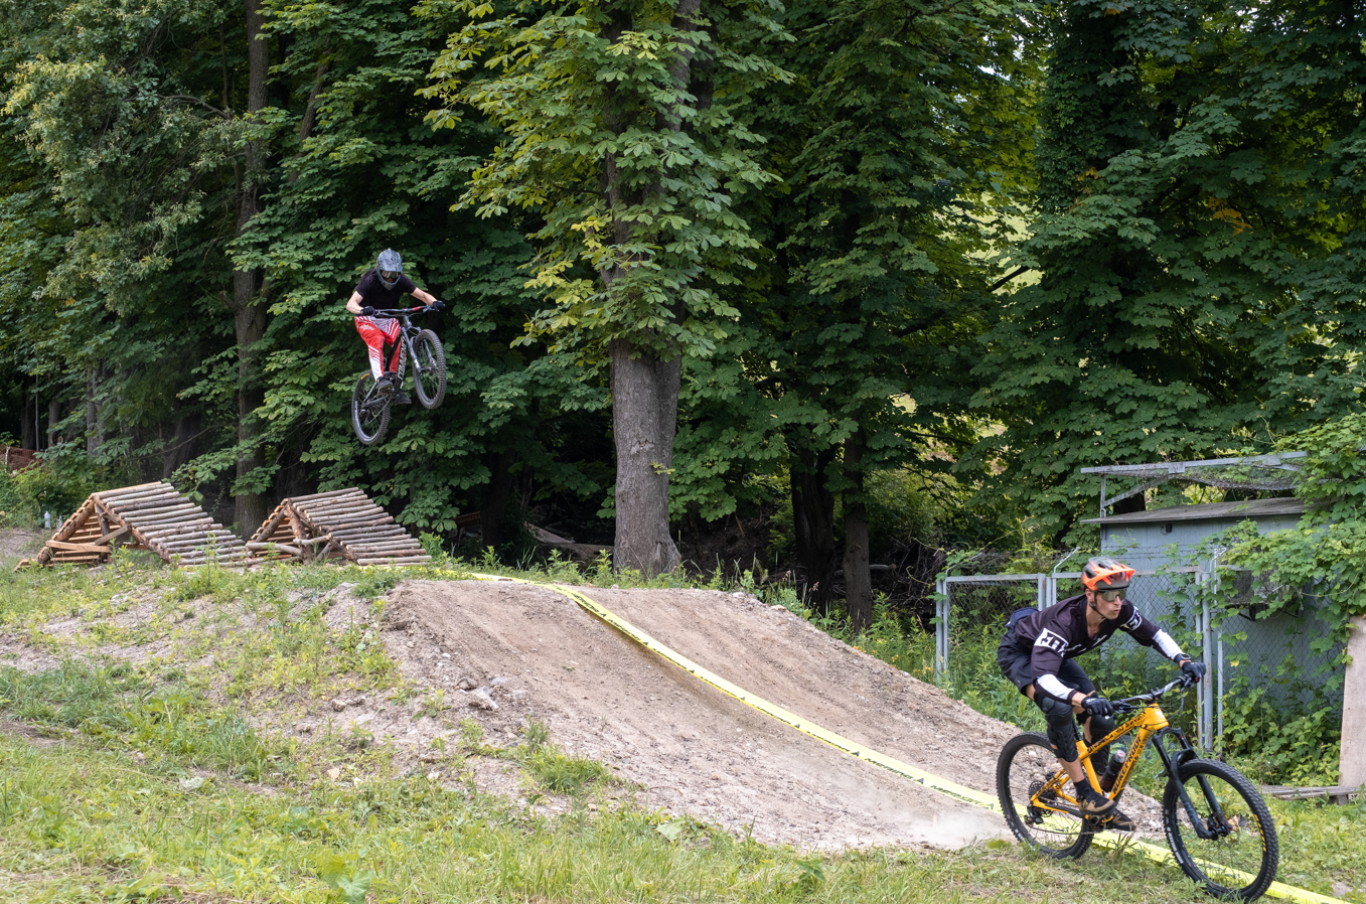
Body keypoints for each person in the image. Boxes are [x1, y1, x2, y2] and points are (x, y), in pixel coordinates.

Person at [996, 556, 1207, 832]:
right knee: (1059, 708)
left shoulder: (1119, 611)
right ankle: (1085, 794)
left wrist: (1184, 660)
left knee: (1102, 721)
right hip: (1021, 654)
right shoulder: (1064, 623)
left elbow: (1154, 635)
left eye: (1121, 593)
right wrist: (1082, 700)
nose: (1117, 600)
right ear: (1090, 595)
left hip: (1057, 657)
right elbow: (1045, 679)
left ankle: (1100, 802)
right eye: (1109, 594)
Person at [345, 248, 443, 405]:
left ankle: (395, 384)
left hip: (388, 318)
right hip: (367, 318)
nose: (390, 279)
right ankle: (381, 380)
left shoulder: (402, 281)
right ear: (379, 271)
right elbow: (350, 304)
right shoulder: (370, 279)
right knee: (376, 339)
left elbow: (423, 295)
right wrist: (362, 310)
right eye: (387, 274)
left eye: (395, 274)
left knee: (401, 344)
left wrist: (435, 302)